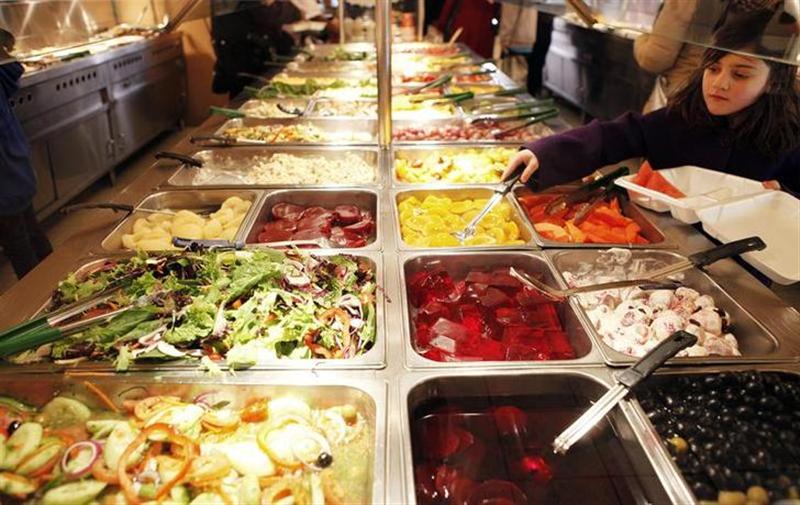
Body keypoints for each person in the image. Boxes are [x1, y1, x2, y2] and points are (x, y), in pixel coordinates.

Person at [503, 9, 800, 195]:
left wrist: (783, 192)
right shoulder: (684, 117)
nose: (720, 83)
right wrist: (545, 153)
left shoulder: (789, 135)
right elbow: (616, 135)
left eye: (741, 74)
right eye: (712, 69)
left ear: (774, 81)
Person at [0, 29, 53, 279]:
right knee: (29, 229)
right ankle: (55, 282)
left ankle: (39, 294)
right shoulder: (5, 70)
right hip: (13, 157)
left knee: (18, 238)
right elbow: (12, 70)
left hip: (5, 165)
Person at [434, 0, 500, 59]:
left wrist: (441, 25)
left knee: (459, 59)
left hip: (465, 27)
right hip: (485, 29)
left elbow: (449, 5)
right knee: (481, 61)